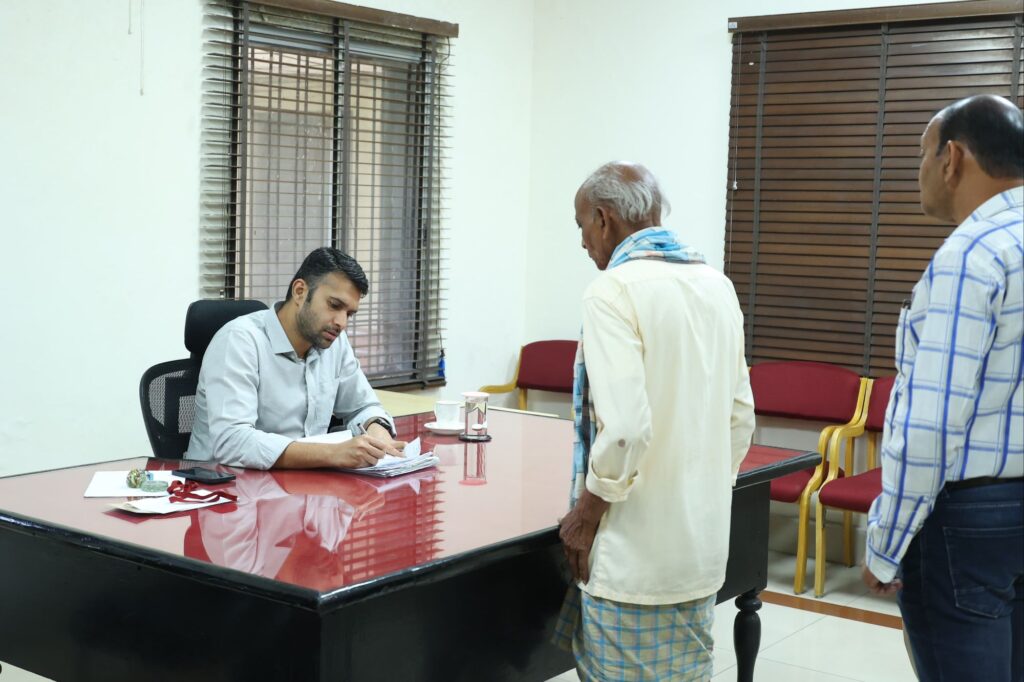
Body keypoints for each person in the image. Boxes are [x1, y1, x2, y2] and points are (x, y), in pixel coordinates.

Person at [554, 162, 756, 680]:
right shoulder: (717, 285)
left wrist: (586, 517)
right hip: (699, 554)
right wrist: (699, 493)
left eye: (582, 226)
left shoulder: (613, 291)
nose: (583, 242)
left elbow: (624, 430)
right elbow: (740, 417)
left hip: (633, 563)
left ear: (604, 219)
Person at [862, 95, 1023, 681]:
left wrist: (887, 542)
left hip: (969, 520)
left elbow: (931, 424)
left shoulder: (972, 253)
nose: (919, 172)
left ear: (952, 158)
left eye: (922, 155)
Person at [188, 247, 406, 470]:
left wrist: (377, 429)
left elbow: (363, 407)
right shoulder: (238, 341)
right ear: (300, 291)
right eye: (334, 305)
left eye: (349, 314)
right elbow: (232, 441)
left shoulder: (334, 342)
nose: (342, 323)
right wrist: (333, 453)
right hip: (225, 483)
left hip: (302, 480)